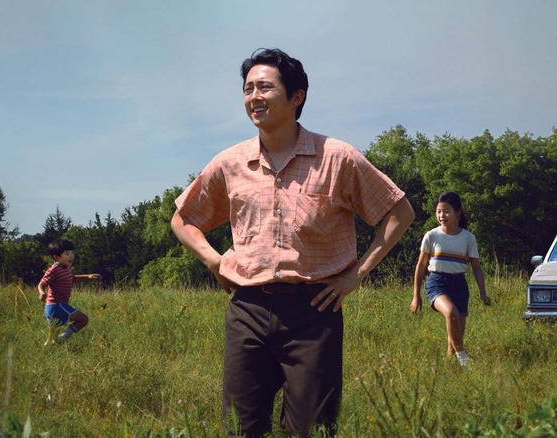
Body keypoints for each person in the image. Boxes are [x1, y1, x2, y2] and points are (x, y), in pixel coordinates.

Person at [170, 48, 414, 437]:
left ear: (296, 96)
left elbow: (400, 212)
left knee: (312, 430)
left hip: (314, 310)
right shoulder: (230, 163)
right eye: (248, 88)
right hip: (248, 307)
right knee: (240, 428)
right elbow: (183, 220)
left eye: (265, 87)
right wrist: (215, 262)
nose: (254, 97)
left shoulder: (337, 157)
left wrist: (358, 274)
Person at [410, 192, 490, 370]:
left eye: (446, 211)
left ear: (457, 212)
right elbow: (421, 266)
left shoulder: (468, 238)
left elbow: (476, 267)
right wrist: (416, 296)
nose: (441, 216)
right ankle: (464, 359)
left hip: (460, 285)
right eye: (438, 211)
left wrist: (483, 293)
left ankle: (446, 369)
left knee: (454, 334)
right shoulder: (431, 236)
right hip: (437, 283)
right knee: (451, 313)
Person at [38, 238, 102, 345]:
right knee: (83, 319)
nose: (71, 256)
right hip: (56, 306)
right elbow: (42, 283)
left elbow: (73, 279)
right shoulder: (53, 270)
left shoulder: (65, 268)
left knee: (49, 340)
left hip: (59, 306)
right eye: (67, 254)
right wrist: (42, 293)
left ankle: (52, 345)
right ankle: (59, 341)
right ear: (56, 257)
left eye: (72, 253)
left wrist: (88, 276)